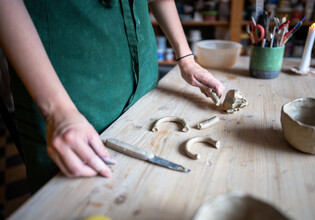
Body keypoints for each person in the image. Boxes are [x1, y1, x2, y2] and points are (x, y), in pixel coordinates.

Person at [0, 0, 225, 193]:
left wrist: (186, 58)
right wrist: (59, 111)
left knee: (148, 190)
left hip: (142, 76)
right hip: (65, 85)